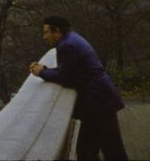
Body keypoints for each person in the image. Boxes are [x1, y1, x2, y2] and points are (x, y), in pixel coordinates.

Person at [29, 15, 128, 161]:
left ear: (57, 31)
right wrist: (45, 69)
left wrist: (41, 72)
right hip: (101, 99)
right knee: (106, 149)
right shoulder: (72, 39)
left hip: (98, 102)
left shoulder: (66, 45)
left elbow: (66, 77)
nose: (44, 37)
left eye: (46, 32)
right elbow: (69, 71)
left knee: (98, 151)